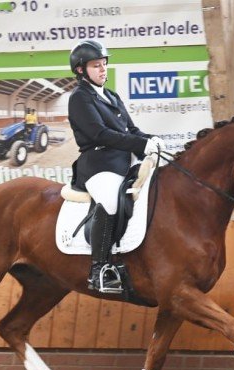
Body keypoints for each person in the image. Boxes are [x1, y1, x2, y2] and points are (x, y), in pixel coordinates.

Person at [68, 39, 166, 294]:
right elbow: (100, 134)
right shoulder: (79, 98)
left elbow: (131, 130)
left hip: (124, 162)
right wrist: (139, 144)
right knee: (111, 201)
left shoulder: (111, 96)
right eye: (95, 66)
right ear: (81, 70)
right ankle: (99, 269)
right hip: (98, 165)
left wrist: (151, 142)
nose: (102, 70)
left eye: (104, 64)